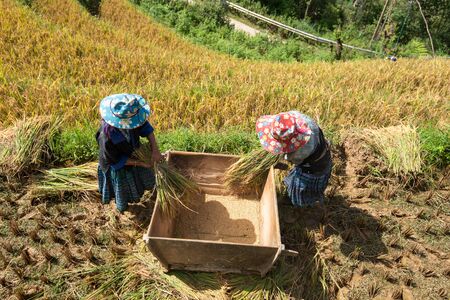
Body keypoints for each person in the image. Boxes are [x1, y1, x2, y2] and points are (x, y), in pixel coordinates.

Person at [96, 93, 162, 213]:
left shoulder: (135, 119)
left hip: (132, 153)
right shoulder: (106, 137)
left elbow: (147, 129)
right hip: (116, 165)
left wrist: (155, 150)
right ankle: (123, 208)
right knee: (122, 190)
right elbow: (114, 160)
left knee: (139, 179)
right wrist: (141, 163)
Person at [256, 111, 332, 207]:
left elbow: (291, 162)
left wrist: (278, 163)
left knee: (302, 190)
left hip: (314, 167)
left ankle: (305, 208)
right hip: (320, 148)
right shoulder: (295, 118)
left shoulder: (302, 150)